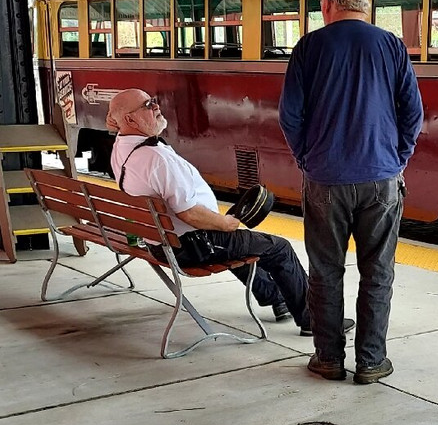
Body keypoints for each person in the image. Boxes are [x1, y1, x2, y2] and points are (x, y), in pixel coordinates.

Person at [106, 88, 352, 337]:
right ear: (130, 120)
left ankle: (276, 297)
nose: (156, 107)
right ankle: (315, 320)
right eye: (148, 105)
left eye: (154, 102)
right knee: (279, 248)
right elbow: (189, 213)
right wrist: (225, 223)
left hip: (160, 243)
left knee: (240, 245)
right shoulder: (156, 158)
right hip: (193, 246)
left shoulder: (122, 149)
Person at [280, 0, 423, 384]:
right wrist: (397, 159)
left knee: (325, 270)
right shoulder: (391, 45)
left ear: (328, 3)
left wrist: (308, 158)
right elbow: (412, 114)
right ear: (363, 5)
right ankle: (371, 361)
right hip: (381, 178)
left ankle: (328, 359)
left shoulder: (309, 47)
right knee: (377, 271)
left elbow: (290, 116)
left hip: (326, 179)